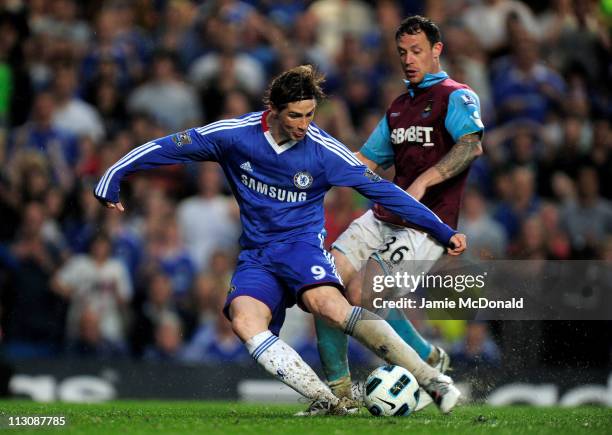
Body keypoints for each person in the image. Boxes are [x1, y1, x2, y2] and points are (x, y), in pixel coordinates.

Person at [93, 65, 466, 415]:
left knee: (331, 306)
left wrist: (442, 231)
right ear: (273, 110)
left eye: (310, 115)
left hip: (302, 248)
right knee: (243, 319)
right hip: (257, 255)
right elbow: (171, 145)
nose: (304, 125)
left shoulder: (323, 151)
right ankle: (330, 401)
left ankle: (432, 380)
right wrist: (115, 172)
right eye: (295, 116)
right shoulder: (234, 136)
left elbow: (385, 192)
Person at [314, 15, 485, 410]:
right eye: (403, 53)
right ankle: (337, 396)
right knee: (321, 284)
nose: (408, 59)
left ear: (436, 50)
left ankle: (429, 374)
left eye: (417, 51)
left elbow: (470, 145)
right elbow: (366, 161)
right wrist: (313, 176)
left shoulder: (456, 96)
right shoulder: (398, 107)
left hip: (427, 225)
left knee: (364, 294)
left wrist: (425, 181)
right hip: (382, 216)